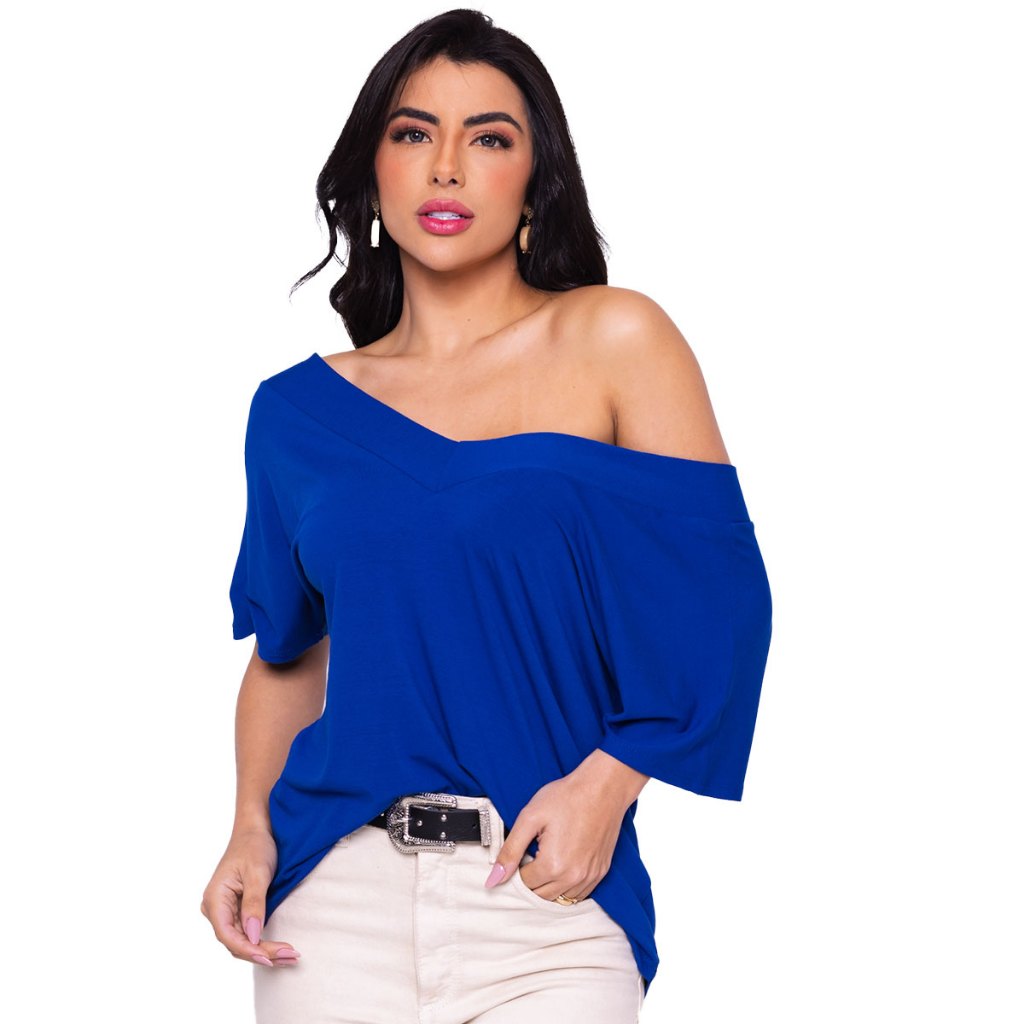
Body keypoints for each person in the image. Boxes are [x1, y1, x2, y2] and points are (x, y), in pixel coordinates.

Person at [201, 9, 773, 1022]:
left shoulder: (616, 339)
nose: (447, 168)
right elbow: (289, 656)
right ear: (372, 170)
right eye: (413, 132)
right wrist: (248, 828)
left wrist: (609, 784)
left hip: (546, 892)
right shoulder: (294, 413)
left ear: (535, 178)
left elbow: (720, 605)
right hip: (331, 904)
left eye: (490, 138)